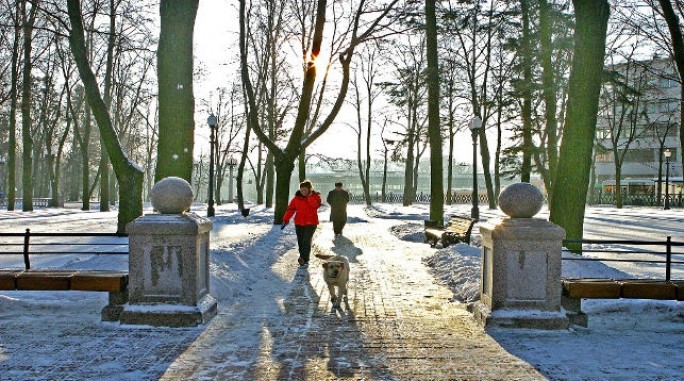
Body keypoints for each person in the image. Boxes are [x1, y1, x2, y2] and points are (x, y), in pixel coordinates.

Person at [282, 180, 322, 267]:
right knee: (300, 241)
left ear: (309, 189)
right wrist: (285, 219)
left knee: (306, 241)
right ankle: (303, 258)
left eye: (305, 190)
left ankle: (304, 258)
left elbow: (315, 205)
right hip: (299, 222)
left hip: (311, 223)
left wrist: (310, 196)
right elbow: (291, 209)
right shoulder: (296, 198)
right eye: (302, 190)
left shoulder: (316, 196)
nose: (303, 191)